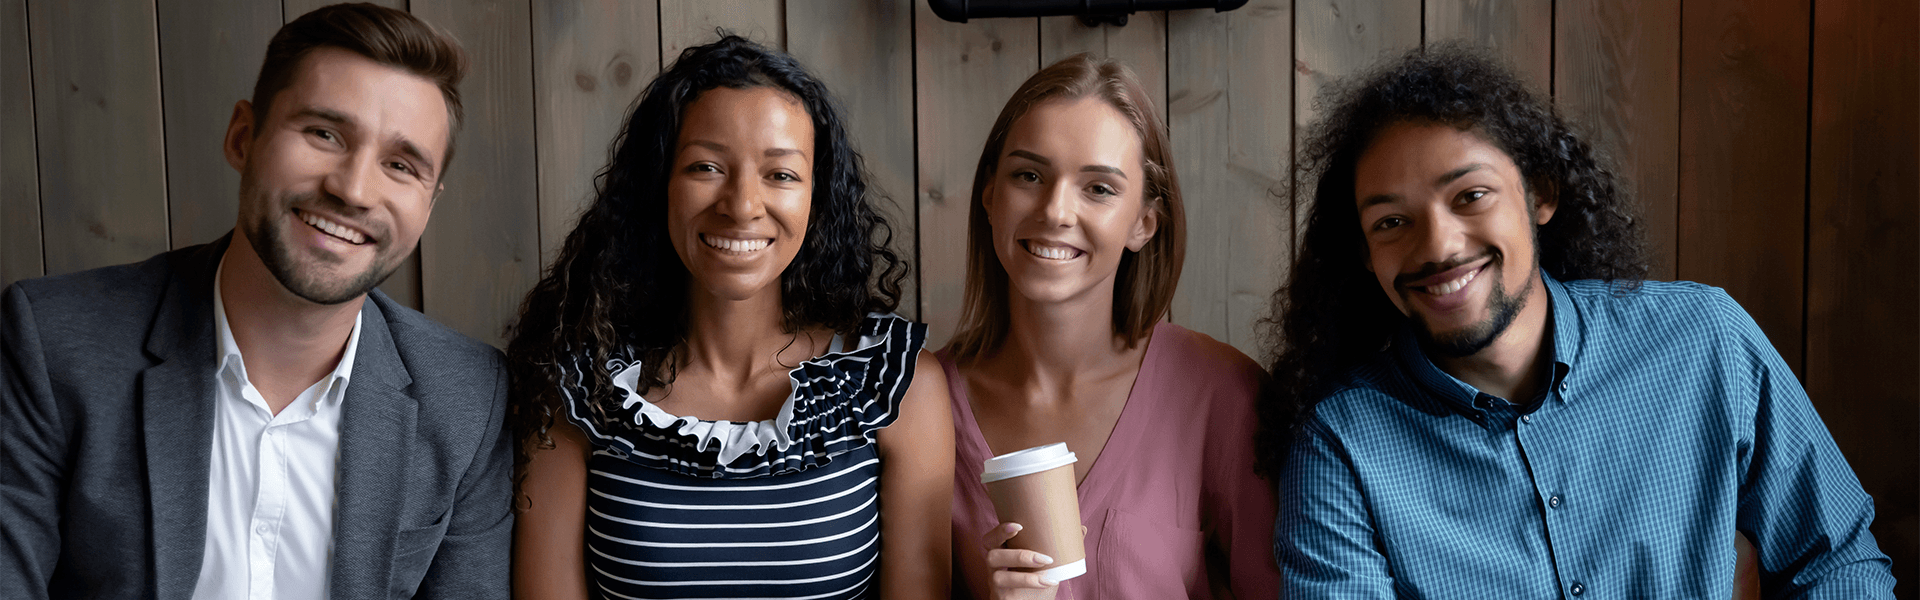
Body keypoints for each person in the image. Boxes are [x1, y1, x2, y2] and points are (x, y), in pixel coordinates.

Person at [1262, 44, 1897, 598]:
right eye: (1391, 222)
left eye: (1470, 196)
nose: (1439, 246)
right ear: (1365, 255)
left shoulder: (1706, 339)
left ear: (1540, 193)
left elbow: (1837, 561)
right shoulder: (1339, 447)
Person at [0, 4, 511, 599]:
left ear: (428, 203)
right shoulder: (53, 342)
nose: (352, 189)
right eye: (324, 134)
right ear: (244, 137)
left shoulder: (469, 398)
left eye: (400, 165)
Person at [506, 35, 953, 600]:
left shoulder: (898, 384)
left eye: (781, 174)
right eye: (706, 166)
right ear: (658, 187)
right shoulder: (577, 386)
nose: (741, 205)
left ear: (817, 198)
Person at [942, 54, 1280, 600]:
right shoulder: (925, 405)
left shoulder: (1220, 394)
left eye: (1098, 188)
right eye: (1029, 175)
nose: (1054, 211)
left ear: (1144, 222)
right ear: (990, 195)